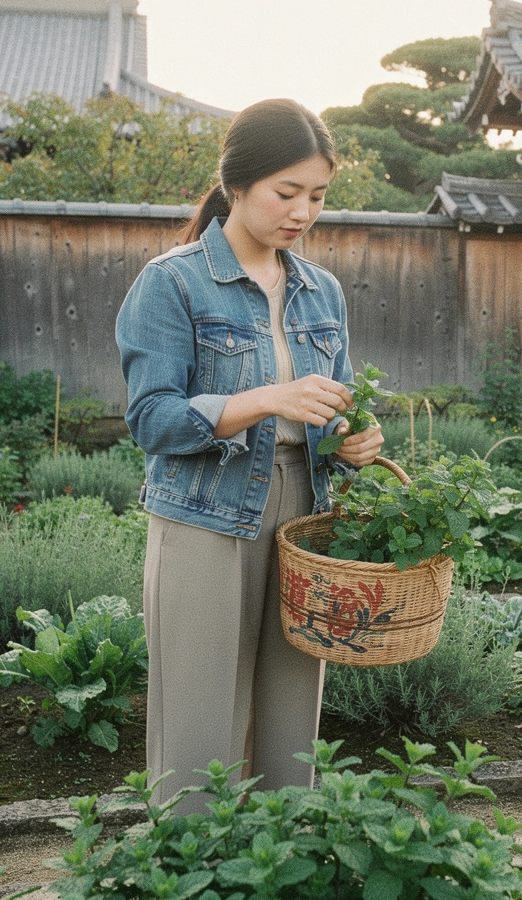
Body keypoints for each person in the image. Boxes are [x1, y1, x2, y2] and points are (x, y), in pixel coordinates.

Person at [116, 98, 383, 811]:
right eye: (287, 192)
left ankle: (277, 863)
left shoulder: (321, 290)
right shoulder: (171, 282)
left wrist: (353, 442)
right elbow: (152, 421)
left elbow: (336, 401)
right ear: (237, 185)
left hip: (302, 510)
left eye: (318, 196)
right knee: (199, 715)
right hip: (205, 510)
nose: (303, 212)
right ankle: (191, 875)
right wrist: (269, 398)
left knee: (292, 710)